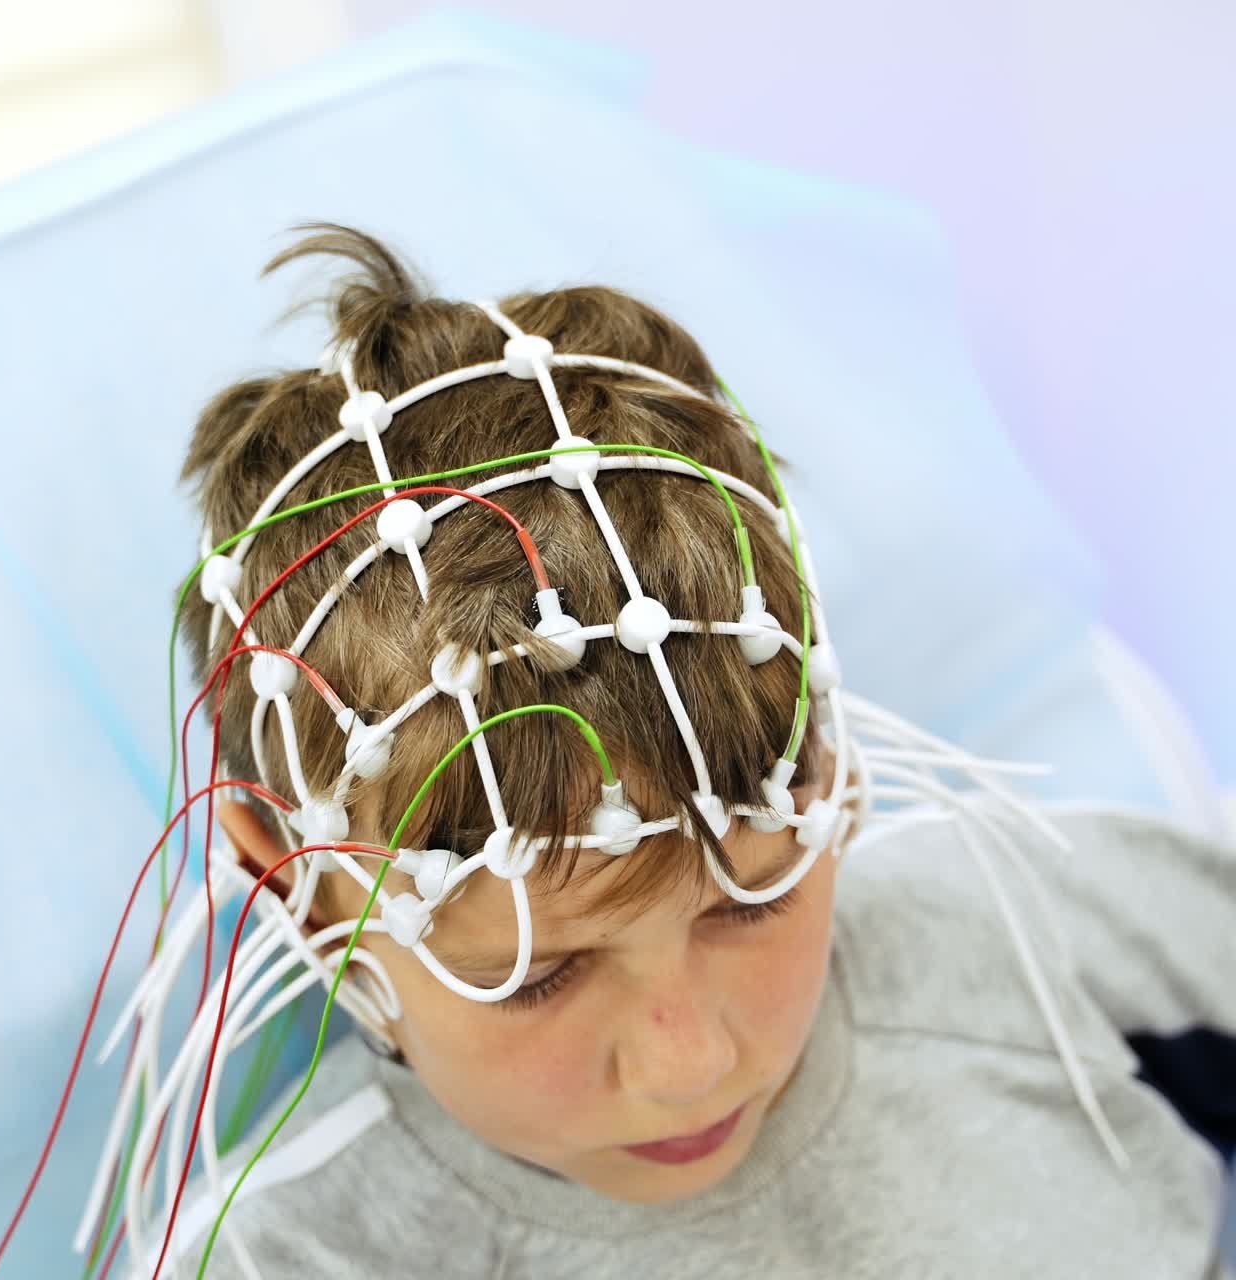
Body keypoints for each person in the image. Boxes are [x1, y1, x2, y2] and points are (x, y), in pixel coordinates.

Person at [107, 224, 1232, 1278]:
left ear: (827, 760)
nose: (688, 1063)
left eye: (754, 898)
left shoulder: (1036, 936)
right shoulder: (293, 1254)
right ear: (298, 888)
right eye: (537, 975)